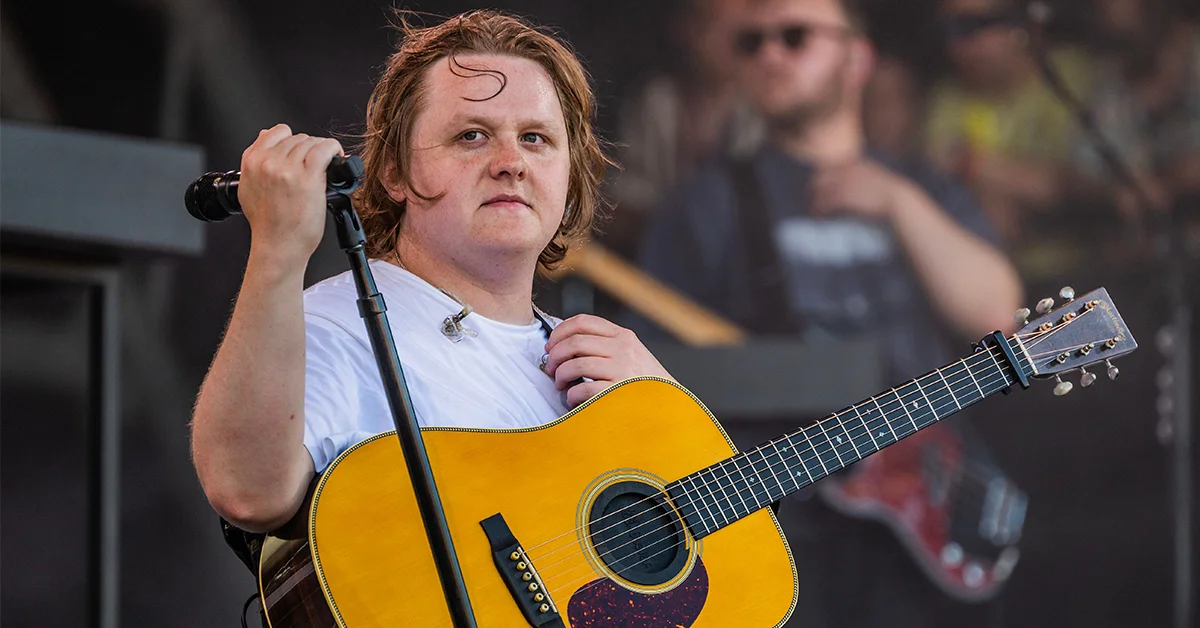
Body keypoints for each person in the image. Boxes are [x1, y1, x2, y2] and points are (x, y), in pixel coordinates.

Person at [189, 10, 674, 535]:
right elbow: (246, 491)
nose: (511, 161)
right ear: (394, 171)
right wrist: (278, 251)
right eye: (471, 136)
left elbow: (729, 567)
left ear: (570, 174)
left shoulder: (609, 367)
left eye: (535, 138)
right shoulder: (332, 325)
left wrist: (666, 412)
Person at [635, 0, 1023, 625]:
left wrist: (900, 204)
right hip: (785, 520)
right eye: (750, 43)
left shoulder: (925, 185)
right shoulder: (705, 201)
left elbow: (998, 313)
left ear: (856, 56)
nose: (769, 55)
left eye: (794, 36)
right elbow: (650, 377)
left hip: (925, 511)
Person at [923, 0, 1093, 241]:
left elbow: (1075, 187)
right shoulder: (947, 99)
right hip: (997, 267)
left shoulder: (1072, 76)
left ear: (1016, 23)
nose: (958, 45)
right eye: (949, 31)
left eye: (971, 26)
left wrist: (971, 164)